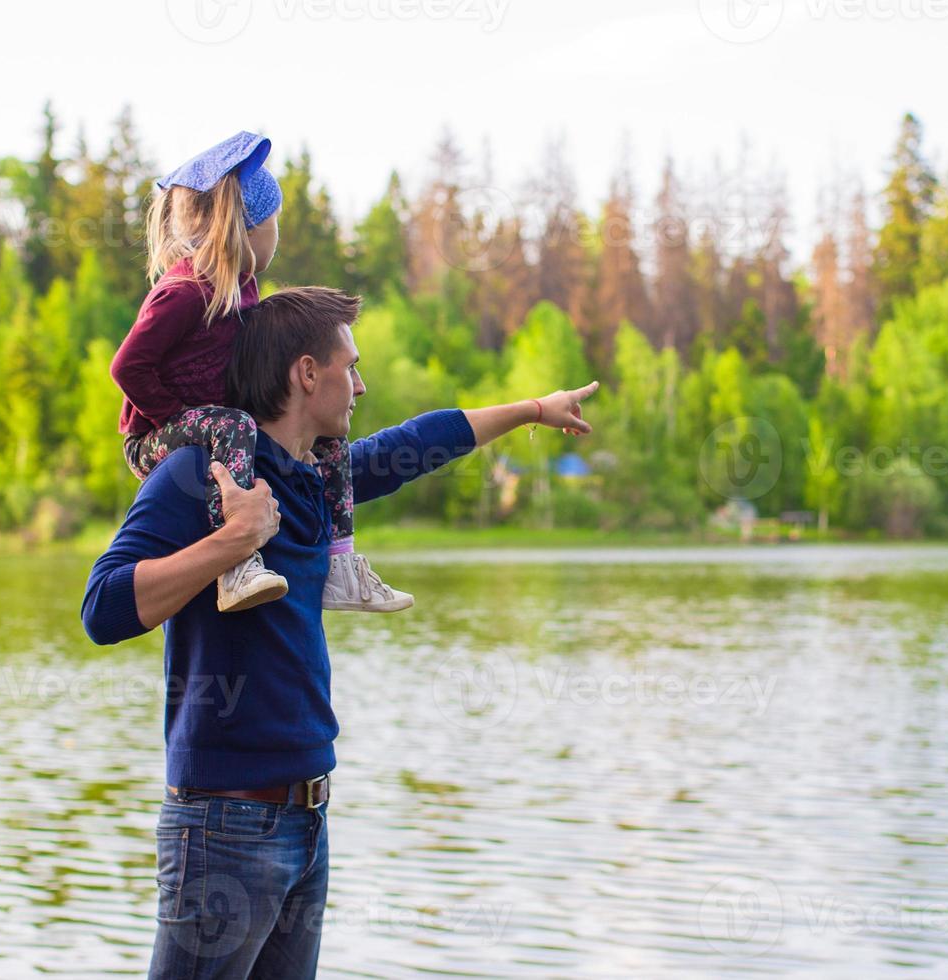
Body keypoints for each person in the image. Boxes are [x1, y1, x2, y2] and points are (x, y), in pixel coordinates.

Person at [82, 283, 598, 978]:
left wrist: (534, 410)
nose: (359, 385)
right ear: (305, 373)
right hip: (223, 829)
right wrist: (230, 543)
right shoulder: (200, 476)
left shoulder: (320, 479)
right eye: (349, 367)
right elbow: (103, 607)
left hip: (307, 818)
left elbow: (422, 441)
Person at [111, 130, 409, 614]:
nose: (278, 235)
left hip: (214, 428)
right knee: (232, 424)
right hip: (153, 438)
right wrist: (181, 420)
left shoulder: (243, 290)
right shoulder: (184, 291)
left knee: (331, 440)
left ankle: (339, 565)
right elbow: (127, 366)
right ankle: (236, 565)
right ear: (247, 229)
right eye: (275, 222)